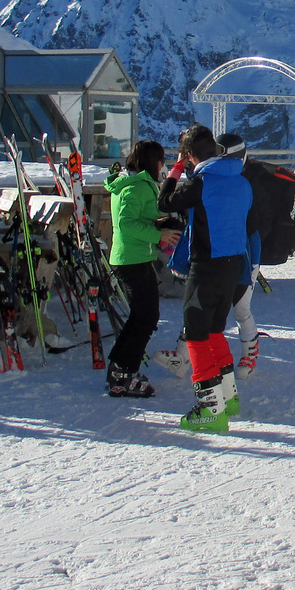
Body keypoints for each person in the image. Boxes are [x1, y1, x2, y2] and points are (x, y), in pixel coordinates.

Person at [158, 124, 254, 434]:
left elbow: (165, 202)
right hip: (233, 265)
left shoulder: (200, 182)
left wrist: (175, 170)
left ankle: (210, 408)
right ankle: (228, 398)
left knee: (196, 332)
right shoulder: (241, 180)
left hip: (206, 265)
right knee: (214, 330)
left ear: (188, 155)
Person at [103, 140, 172, 399]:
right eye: (161, 160)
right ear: (152, 161)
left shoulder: (131, 184)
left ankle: (121, 369)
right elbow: (126, 223)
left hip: (132, 256)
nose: (162, 165)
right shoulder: (137, 187)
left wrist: (161, 224)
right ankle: (122, 372)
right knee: (146, 316)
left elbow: (140, 217)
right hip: (132, 258)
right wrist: (159, 234)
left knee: (142, 315)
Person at [215, 133, 272, 379]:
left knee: (240, 308)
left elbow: (256, 222)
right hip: (224, 249)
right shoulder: (217, 179)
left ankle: (249, 352)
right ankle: (184, 354)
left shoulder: (249, 182)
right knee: (206, 305)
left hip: (246, 249)